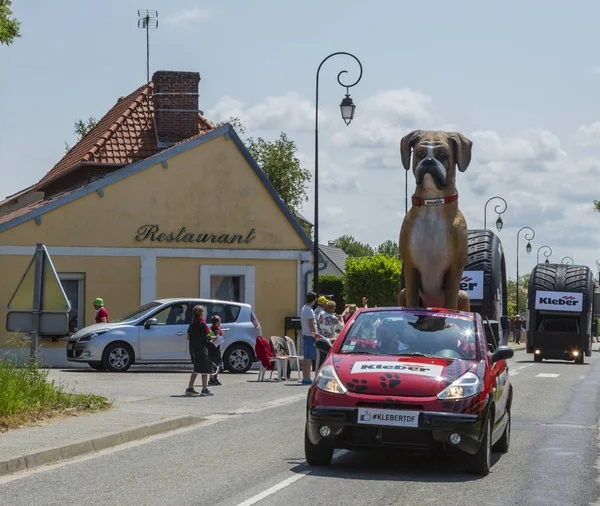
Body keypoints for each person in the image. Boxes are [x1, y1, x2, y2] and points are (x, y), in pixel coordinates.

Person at [186, 305, 218, 396]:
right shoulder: (202, 324)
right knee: (205, 369)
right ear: (201, 313)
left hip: (193, 349)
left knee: (196, 368)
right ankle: (204, 389)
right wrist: (214, 337)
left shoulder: (192, 324)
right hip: (202, 349)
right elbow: (205, 338)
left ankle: (190, 388)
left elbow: (188, 336)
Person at [300, 291, 318, 385]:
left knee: (307, 358)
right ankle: (306, 378)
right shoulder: (309, 310)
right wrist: (315, 336)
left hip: (306, 335)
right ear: (314, 300)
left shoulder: (304, 308)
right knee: (308, 358)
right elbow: (311, 324)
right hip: (309, 336)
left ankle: (306, 377)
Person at [208, 315, 224, 387]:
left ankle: (215, 378)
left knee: (218, 364)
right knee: (214, 364)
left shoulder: (217, 329)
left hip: (217, 348)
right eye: (219, 321)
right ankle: (211, 379)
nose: (220, 323)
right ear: (216, 322)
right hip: (213, 349)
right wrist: (217, 335)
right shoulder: (211, 329)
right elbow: (212, 339)